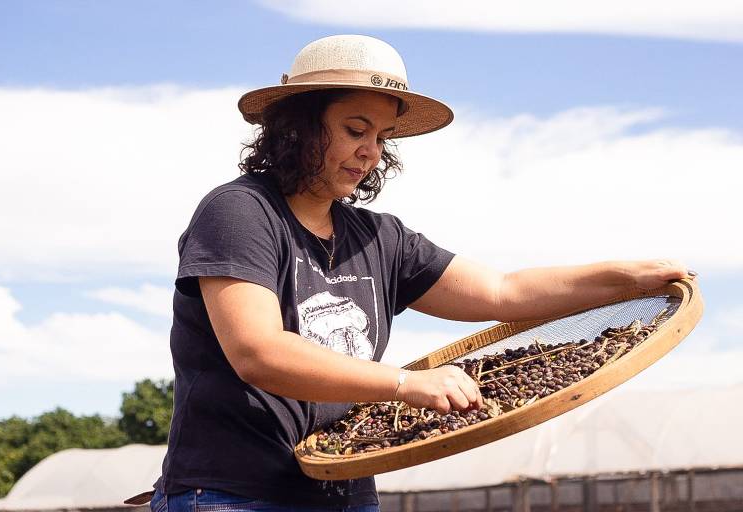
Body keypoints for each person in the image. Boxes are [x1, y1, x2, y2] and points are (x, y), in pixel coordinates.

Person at [142, 35, 691, 511]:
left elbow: (503, 292)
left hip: (345, 489)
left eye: (381, 137)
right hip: (231, 493)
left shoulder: (382, 238)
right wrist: (407, 384)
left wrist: (627, 277)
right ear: (298, 128)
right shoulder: (240, 212)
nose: (370, 152)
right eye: (355, 129)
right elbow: (258, 352)